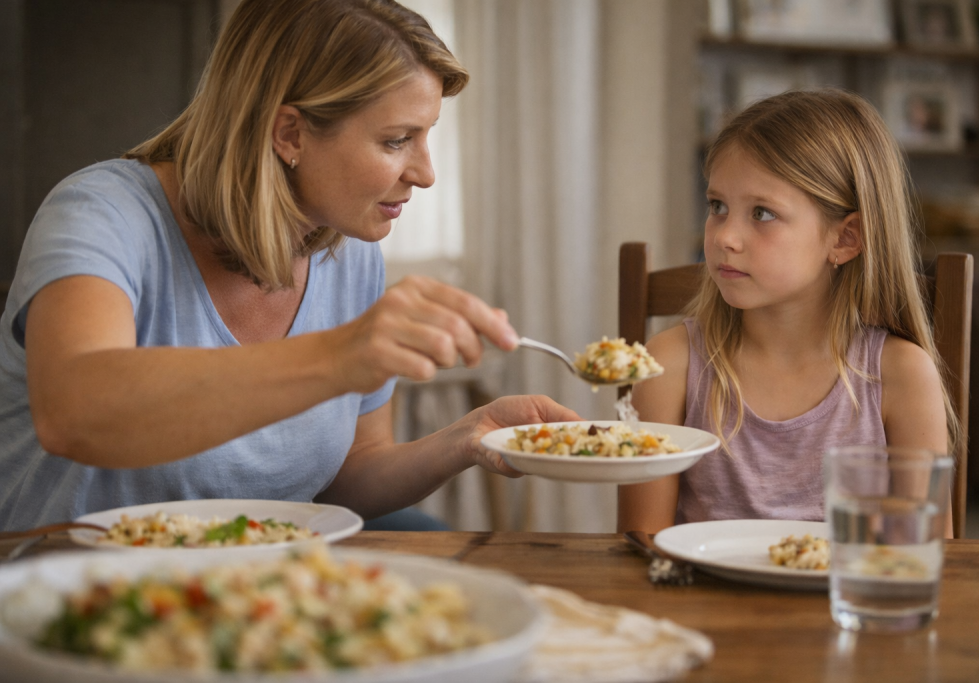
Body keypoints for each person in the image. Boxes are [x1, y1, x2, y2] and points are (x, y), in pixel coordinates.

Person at [0, 0, 579, 532]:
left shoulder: (351, 251)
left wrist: (467, 437)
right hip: (69, 586)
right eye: (397, 140)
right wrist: (342, 354)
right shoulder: (101, 213)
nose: (425, 173)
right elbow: (74, 413)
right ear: (290, 133)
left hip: (251, 585)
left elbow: (351, 472)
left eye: (425, 137)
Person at [617, 89, 958, 537]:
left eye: (762, 213)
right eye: (717, 206)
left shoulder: (902, 375)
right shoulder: (667, 367)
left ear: (845, 239)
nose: (724, 238)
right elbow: (641, 548)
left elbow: (925, 551)